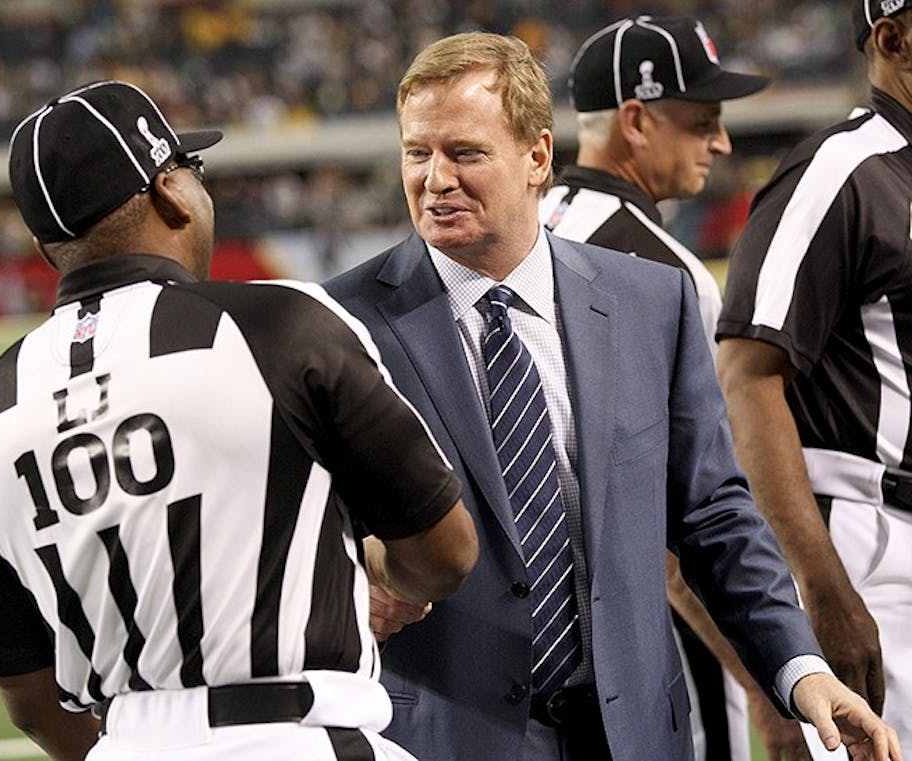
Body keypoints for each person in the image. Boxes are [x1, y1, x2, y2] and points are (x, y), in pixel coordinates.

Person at [324, 31, 903, 761]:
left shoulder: (651, 302)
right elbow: (299, 528)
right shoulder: (337, 323)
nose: (435, 179)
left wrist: (799, 668)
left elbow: (714, 517)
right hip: (438, 736)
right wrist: (363, 568)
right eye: (417, 153)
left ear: (537, 157)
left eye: (464, 153)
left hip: (632, 736)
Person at [0, 79, 479, 761]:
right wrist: (369, 569)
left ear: (49, 249)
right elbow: (446, 552)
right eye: (190, 171)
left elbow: (29, 698)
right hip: (301, 737)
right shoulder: (279, 324)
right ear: (169, 192)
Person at [538, 15, 805, 761]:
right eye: (702, 123)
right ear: (635, 120)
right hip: (648, 638)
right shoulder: (658, 274)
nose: (720, 144)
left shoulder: (523, 230)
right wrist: (760, 675)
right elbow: (681, 518)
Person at [717, 1, 912, 756]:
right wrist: (825, 589)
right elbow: (747, 375)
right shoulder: (841, 168)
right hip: (867, 535)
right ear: (892, 39)